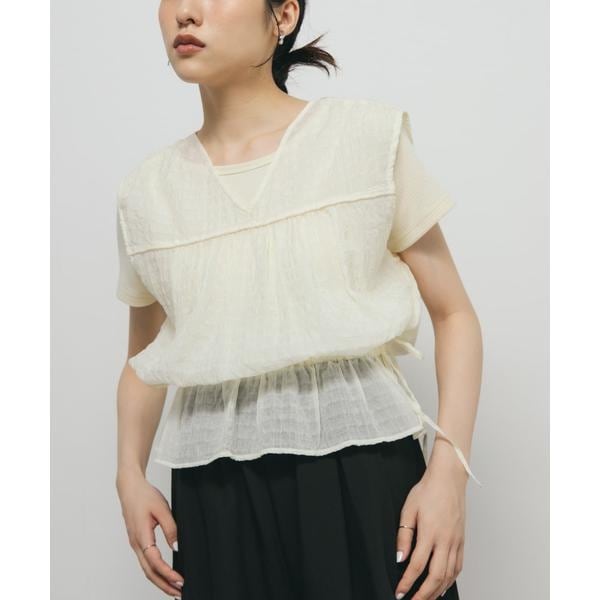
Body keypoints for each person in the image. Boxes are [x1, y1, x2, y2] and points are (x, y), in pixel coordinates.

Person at [114, 1, 484, 599]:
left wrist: (449, 473)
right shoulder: (147, 193)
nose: (186, 12)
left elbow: (455, 313)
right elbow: (144, 358)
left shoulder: (362, 138)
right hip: (214, 496)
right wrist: (129, 474)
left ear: (282, 16)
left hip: (362, 475)